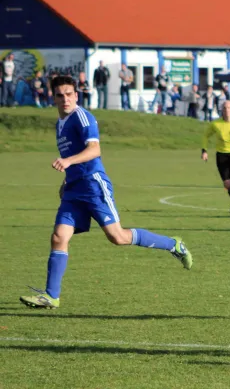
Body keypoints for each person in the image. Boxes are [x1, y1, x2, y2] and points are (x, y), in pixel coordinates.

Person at [19, 76, 193, 309]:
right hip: (74, 188)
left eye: (69, 94)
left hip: (93, 185)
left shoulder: (82, 117)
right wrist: (66, 179)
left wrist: (68, 162)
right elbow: (77, 156)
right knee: (59, 237)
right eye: (60, 95)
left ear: (76, 95)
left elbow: (94, 149)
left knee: (117, 237)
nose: (65, 99)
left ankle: (174, 244)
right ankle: (51, 296)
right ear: (53, 97)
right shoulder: (60, 123)